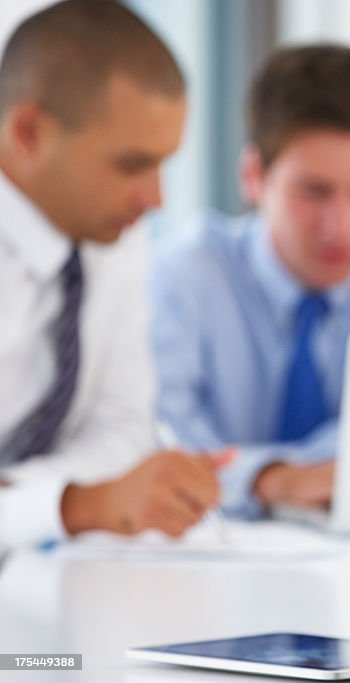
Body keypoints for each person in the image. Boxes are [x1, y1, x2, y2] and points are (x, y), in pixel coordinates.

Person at [150, 44, 350, 519]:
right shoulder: (185, 275)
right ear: (253, 176)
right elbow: (159, 441)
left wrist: (255, 475)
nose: (340, 226)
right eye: (314, 192)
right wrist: (269, 480)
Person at [0, 0, 231, 548]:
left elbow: (124, 428)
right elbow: (98, 488)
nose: (154, 199)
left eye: (162, 164)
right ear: (29, 132)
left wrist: (28, 501)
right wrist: (77, 503)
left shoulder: (110, 231)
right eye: (131, 164)